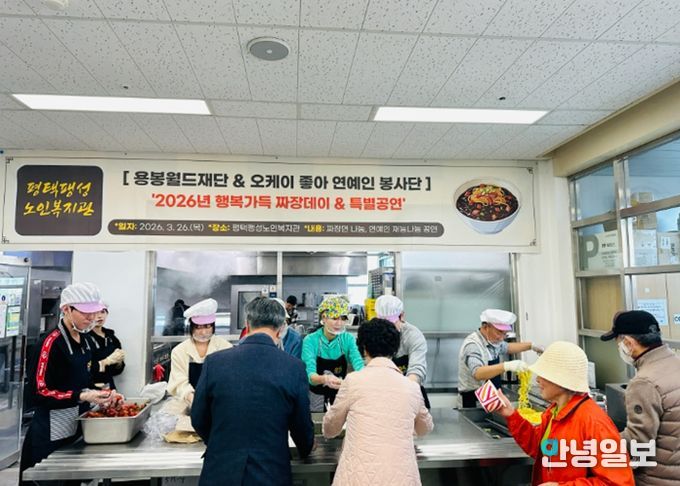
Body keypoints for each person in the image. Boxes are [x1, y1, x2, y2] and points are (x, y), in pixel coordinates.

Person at [191, 297, 314, 486]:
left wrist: (219, 442)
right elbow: (302, 426)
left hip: (220, 471)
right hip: (271, 473)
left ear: (247, 324)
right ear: (281, 328)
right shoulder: (293, 367)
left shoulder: (214, 362)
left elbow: (198, 418)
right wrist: (305, 449)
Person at [497, 341, 635, 486]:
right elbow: (540, 447)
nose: (537, 380)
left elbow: (618, 483)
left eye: (543, 375)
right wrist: (511, 414)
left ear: (561, 380)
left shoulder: (593, 422)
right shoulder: (555, 411)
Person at [20, 282, 117, 482]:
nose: (91, 317)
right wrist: (81, 395)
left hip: (77, 429)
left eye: (94, 312)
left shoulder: (86, 340)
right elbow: (39, 392)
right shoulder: (50, 343)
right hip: (50, 433)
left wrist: (103, 395)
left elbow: (85, 379)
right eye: (85, 313)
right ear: (66, 309)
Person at [323, 318, 433, 486]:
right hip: (401, 479)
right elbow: (425, 428)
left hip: (357, 479)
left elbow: (331, 428)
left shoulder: (353, 381)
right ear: (394, 349)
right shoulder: (411, 387)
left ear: (364, 348)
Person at [601, 310, 680, 485]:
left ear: (629, 343)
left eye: (618, 343)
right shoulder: (675, 363)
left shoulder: (644, 382)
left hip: (657, 478)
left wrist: (600, 442)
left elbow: (638, 441)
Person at [457, 309, 542, 408]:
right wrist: (507, 366)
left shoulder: (492, 341)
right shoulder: (473, 345)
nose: (501, 338)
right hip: (472, 402)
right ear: (486, 327)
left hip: (490, 399)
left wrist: (531, 346)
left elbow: (507, 347)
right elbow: (478, 373)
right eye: (499, 332)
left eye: (505, 334)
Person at [301, 295, 365, 411]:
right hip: (316, 395)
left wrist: (354, 381)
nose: (339, 323)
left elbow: (358, 363)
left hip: (341, 393)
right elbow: (310, 375)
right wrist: (325, 379)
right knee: (317, 420)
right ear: (324, 318)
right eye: (335, 318)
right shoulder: (311, 340)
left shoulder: (348, 339)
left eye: (343, 318)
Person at [167, 298, 232, 405]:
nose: (203, 332)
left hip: (219, 403)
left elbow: (229, 380)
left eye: (207, 326)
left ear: (213, 326)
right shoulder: (179, 351)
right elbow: (179, 383)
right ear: (191, 327)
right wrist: (193, 400)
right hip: (189, 403)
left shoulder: (226, 348)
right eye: (198, 327)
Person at [375, 294, 431, 408]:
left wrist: (403, 394)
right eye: (383, 324)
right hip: (383, 393)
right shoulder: (373, 336)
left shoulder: (413, 336)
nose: (387, 329)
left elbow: (416, 370)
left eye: (391, 323)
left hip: (410, 392)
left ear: (402, 316)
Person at [87, 304, 125, 390]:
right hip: (90, 387)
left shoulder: (111, 337)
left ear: (107, 314)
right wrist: (106, 361)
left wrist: (118, 362)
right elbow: (83, 369)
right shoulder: (84, 337)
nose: (99, 316)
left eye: (102, 312)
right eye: (95, 312)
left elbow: (117, 371)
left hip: (109, 386)